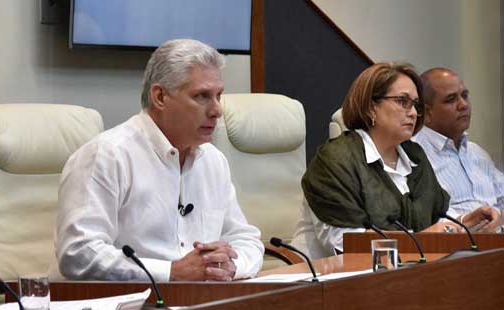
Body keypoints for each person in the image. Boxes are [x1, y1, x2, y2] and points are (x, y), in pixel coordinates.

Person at [55, 39, 264, 282]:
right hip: (132, 298)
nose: (217, 110)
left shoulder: (213, 161)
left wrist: (231, 266)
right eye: (202, 96)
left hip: (204, 296)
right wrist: (171, 272)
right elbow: (79, 253)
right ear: (160, 97)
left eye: (218, 95)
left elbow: (245, 239)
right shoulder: (107, 155)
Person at [291, 63, 497, 258]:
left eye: (415, 104)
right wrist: (422, 240)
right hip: (326, 276)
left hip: (408, 270)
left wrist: (464, 223)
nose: (414, 113)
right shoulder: (335, 159)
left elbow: (436, 219)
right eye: (402, 101)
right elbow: (345, 243)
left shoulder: (414, 156)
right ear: (371, 107)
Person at [413, 68, 504, 228]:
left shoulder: (477, 152)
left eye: (465, 96)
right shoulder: (413, 154)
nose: (463, 105)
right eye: (450, 99)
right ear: (427, 112)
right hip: (453, 240)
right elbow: (422, 218)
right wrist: (468, 222)